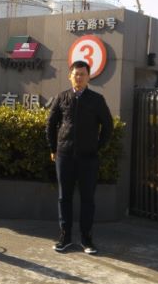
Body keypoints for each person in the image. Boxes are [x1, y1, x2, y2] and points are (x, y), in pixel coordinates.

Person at [46, 60, 113, 254]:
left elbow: (108, 126)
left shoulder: (97, 99)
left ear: (88, 77)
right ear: (70, 76)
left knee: (87, 199)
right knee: (64, 198)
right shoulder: (62, 97)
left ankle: (86, 239)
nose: (79, 77)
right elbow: (50, 124)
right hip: (64, 155)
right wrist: (53, 148)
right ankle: (65, 237)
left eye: (83, 74)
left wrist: (97, 147)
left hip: (88, 158)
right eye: (76, 74)